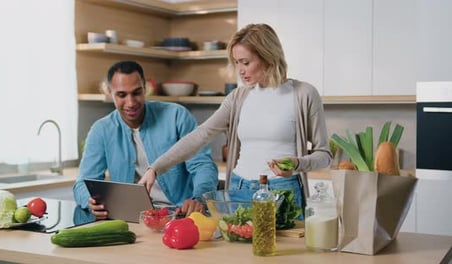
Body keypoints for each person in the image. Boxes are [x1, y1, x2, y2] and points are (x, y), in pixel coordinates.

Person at [140, 24, 332, 219]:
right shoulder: (238, 97)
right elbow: (201, 134)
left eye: (245, 62)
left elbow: (324, 155)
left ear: (267, 57)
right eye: (237, 62)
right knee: (232, 250)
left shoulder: (303, 94)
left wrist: (298, 164)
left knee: (284, 249)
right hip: (238, 189)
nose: (240, 70)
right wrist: (156, 168)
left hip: (282, 192)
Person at [73, 61, 219, 220]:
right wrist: (90, 201)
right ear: (110, 92)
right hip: (132, 218)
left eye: (136, 93)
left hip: (181, 215)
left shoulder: (176, 116)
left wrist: (198, 200)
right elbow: (82, 184)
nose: (130, 103)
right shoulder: (101, 130)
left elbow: (202, 165)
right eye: (121, 95)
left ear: (145, 88)